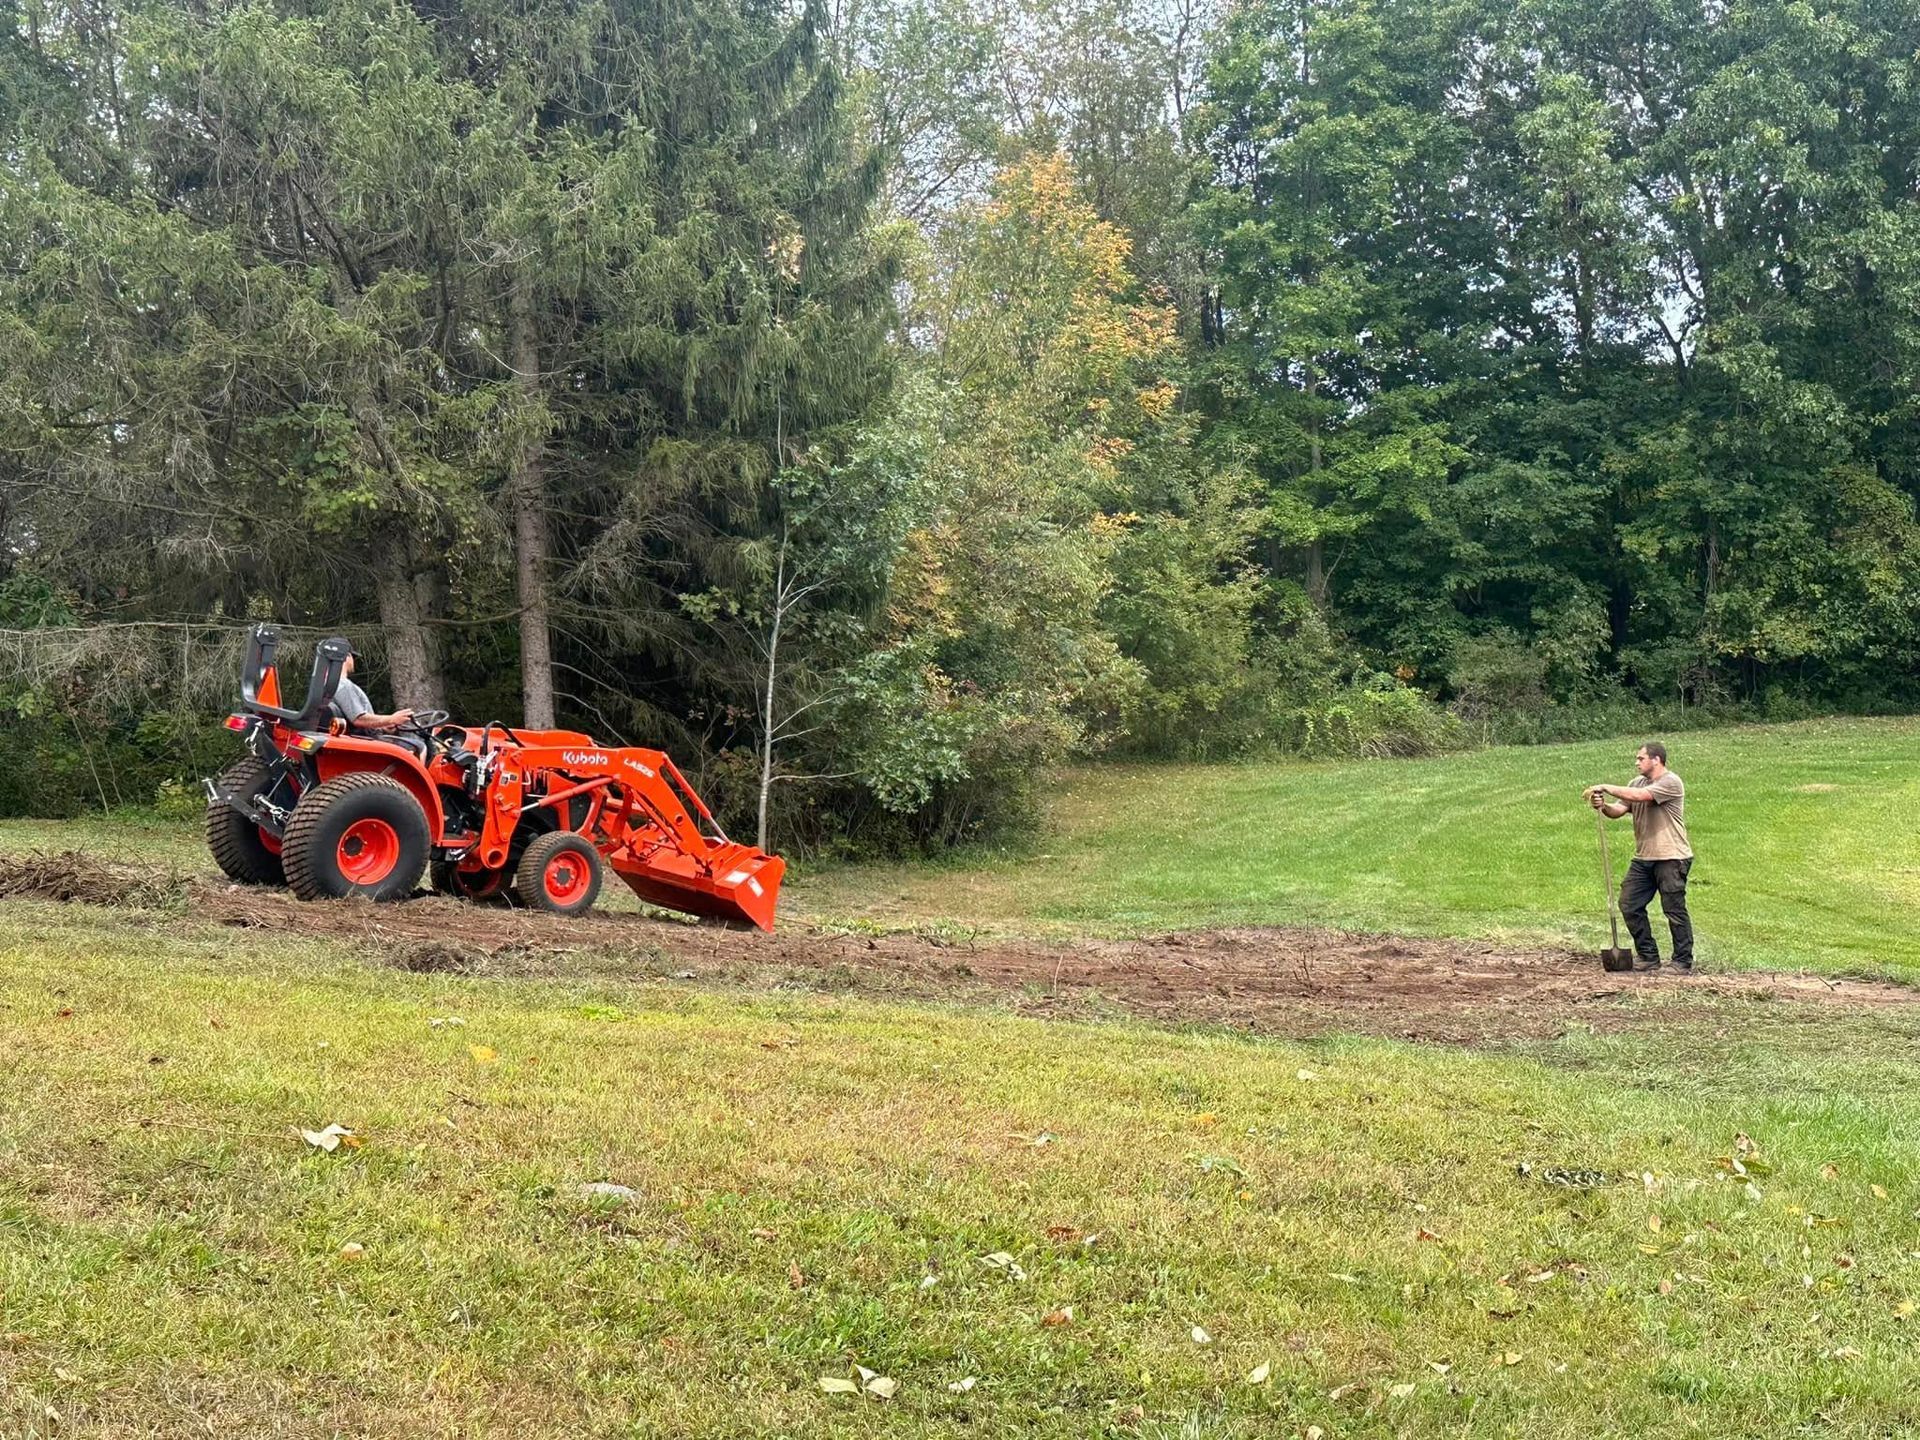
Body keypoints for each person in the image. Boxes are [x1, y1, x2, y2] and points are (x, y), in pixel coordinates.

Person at [1585, 742, 1694, 974]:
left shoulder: (1671, 782)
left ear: (1656, 760)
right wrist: (1603, 806)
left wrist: (1606, 786)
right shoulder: (1635, 783)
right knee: (1629, 904)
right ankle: (1648, 956)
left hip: (1672, 857)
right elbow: (1618, 810)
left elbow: (1642, 796)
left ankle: (1682, 961)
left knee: (1673, 909)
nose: (1636, 762)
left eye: (1640, 758)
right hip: (1644, 858)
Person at [325, 638, 417, 744]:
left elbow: (352, 722)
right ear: (347, 657)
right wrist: (391, 719)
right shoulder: (342, 685)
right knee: (419, 746)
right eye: (353, 657)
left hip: (359, 737)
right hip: (366, 740)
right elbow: (358, 719)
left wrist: (383, 726)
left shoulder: (326, 685)